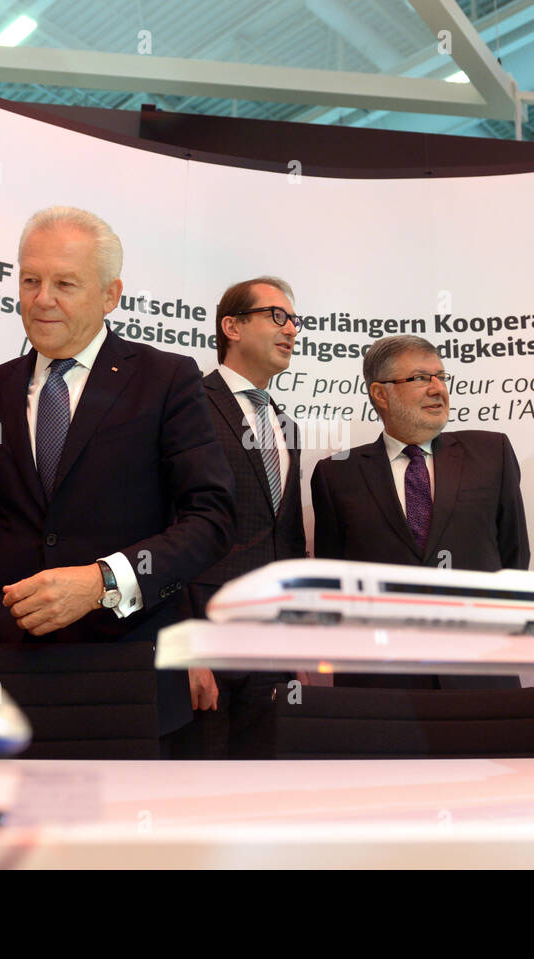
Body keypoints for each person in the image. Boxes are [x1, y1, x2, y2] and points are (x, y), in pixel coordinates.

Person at [0, 206, 234, 746]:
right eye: (31, 280)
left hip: (123, 670)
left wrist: (102, 582)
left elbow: (211, 517)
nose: (42, 298)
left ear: (110, 295)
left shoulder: (165, 379)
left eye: (65, 283)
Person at [310, 334, 529, 689]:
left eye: (441, 377)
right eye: (420, 378)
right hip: (381, 684)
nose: (437, 389)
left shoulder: (492, 453)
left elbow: (514, 555)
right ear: (381, 394)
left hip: (480, 671)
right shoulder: (336, 473)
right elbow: (333, 581)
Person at [182, 277, 306, 758]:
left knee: (260, 797)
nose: (291, 330)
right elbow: (170, 526)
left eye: (295, 320)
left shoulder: (288, 427)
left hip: (272, 652)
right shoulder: (188, 404)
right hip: (206, 645)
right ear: (231, 326)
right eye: (277, 316)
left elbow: (287, 540)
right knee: (199, 796)